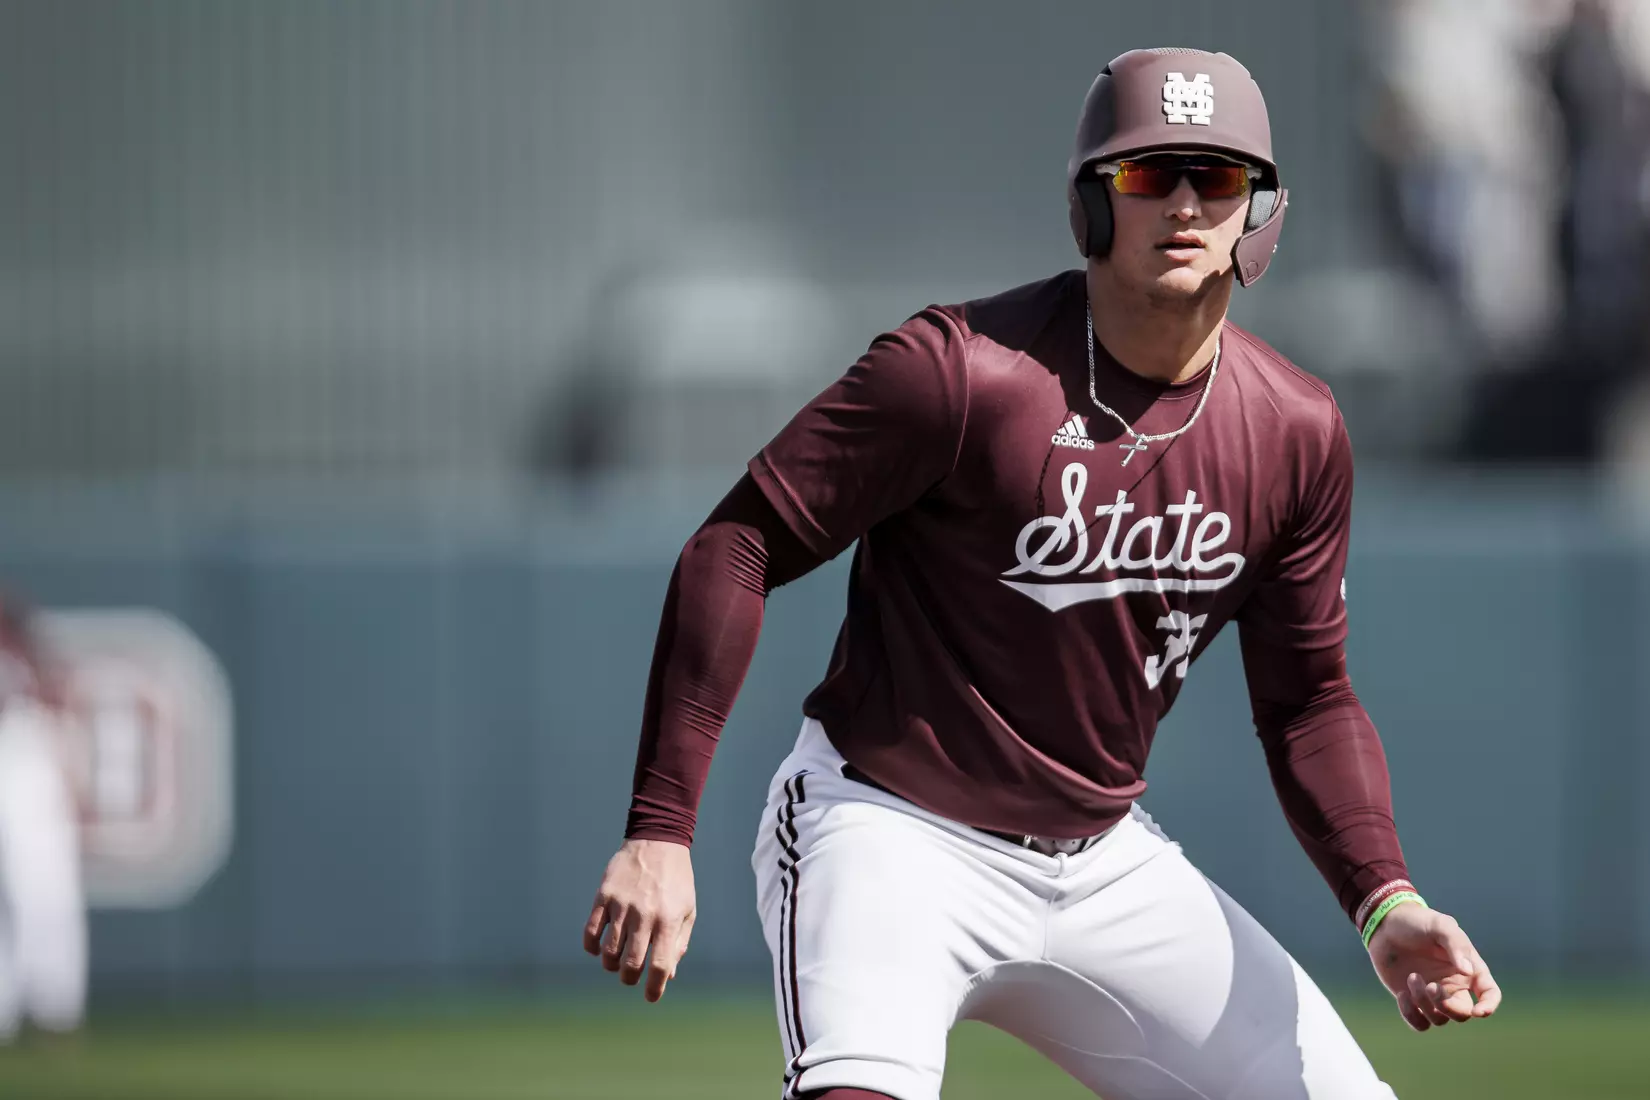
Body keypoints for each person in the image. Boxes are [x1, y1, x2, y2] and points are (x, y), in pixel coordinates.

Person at [583, 48, 1500, 1100]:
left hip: (1103, 855)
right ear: (1093, 205)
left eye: (1221, 176)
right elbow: (737, 543)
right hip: (889, 829)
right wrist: (661, 825)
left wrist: (1386, 900)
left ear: (1262, 213)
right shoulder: (962, 372)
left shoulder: (1294, 428)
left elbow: (1308, 700)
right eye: (1152, 175)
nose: (1189, 203)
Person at [0, 597, 86, 1043]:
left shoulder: (31, 660)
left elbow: (56, 708)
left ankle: (54, 1007)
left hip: (26, 758)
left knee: (44, 889)